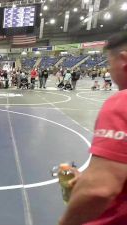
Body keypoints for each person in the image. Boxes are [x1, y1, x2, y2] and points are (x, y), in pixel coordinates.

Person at [59, 32, 127, 225]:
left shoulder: (121, 103)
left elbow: (99, 190)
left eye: (109, 62)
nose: (109, 69)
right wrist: (88, 177)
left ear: (123, 60)